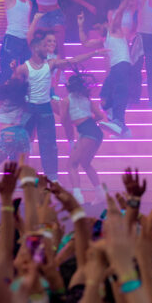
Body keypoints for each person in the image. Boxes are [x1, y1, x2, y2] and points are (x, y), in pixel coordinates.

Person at [12, 32, 101, 182]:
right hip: (30, 109)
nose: (47, 48)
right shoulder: (24, 68)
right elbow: (13, 86)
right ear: (35, 48)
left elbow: (73, 61)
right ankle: (22, 177)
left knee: (49, 145)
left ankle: (52, 178)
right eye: (43, 46)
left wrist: (95, 53)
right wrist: (14, 72)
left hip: (45, 108)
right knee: (22, 145)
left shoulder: (51, 64)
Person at [80, 0, 137, 137]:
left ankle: (119, 122)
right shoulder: (104, 40)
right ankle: (123, 129)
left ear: (105, 24)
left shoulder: (114, 30)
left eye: (99, 28)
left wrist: (124, 2)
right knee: (104, 98)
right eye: (96, 29)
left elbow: (118, 15)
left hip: (122, 64)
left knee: (119, 93)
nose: (98, 31)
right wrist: (80, 25)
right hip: (114, 70)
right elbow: (85, 43)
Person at [59, 69, 111, 203]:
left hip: (87, 132)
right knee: (85, 163)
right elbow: (99, 116)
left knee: (71, 165)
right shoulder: (87, 100)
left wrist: (74, 121)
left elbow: (63, 120)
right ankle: (100, 194)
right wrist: (86, 120)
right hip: (96, 132)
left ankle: (78, 197)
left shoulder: (66, 101)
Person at [0, 79, 30, 204]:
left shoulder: (1, 102)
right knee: (23, 167)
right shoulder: (22, 102)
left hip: (8, 135)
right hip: (23, 135)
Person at [30, 0, 96, 58]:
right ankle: (43, 64)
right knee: (40, 42)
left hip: (55, 15)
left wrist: (88, 6)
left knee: (59, 44)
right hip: (42, 16)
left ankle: (62, 65)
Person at [0, 0, 32, 83]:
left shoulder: (28, 2)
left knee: (25, 72)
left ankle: (22, 93)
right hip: (12, 38)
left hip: (25, 40)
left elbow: (27, 22)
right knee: (8, 71)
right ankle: (6, 93)